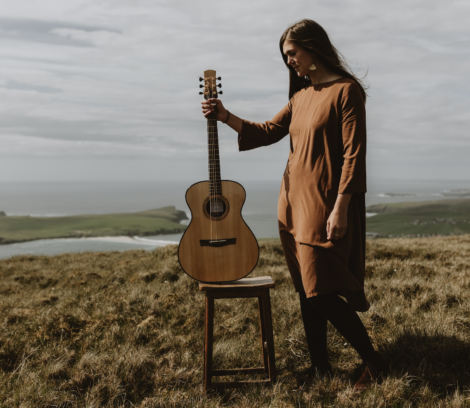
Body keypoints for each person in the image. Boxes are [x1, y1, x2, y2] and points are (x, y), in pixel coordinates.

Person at [201, 19, 384, 390]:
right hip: (292, 205)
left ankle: (376, 362)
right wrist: (225, 116)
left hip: (324, 204)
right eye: (286, 56)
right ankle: (321, 369)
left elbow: (354, 155)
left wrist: (340, 208)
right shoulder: (300, 98)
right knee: (305, 290)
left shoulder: (346, 92)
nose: (290, 62)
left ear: (313, 48)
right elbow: (269, 130)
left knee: (320, 289)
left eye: (292, 54)